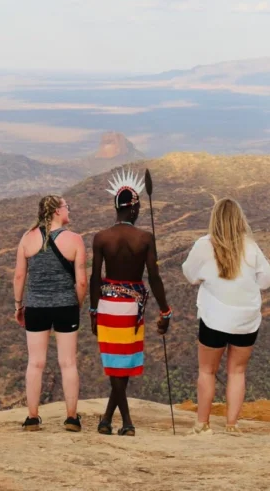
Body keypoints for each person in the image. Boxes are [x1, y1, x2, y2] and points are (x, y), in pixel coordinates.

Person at [89, 169, 172, 436]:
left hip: (107, 306)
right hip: (132, 309)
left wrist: (92, 311)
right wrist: (165, 309)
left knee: (116, 365)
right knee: (121, 364)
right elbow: (154, 277)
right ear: (135, 210)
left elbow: (95, 278)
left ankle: (107, 420)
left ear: (116, 208)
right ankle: (126, 422)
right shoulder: (145, 239)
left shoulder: (101, 238)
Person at [181, 197, 270, 436]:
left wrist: (207, 277)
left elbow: (189, 274)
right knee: (237, 371)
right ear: (239, 220)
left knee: (207, 371)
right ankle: (232, 425)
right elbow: (267, 280)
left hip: (213, 318)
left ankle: (202, 424)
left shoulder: (204, 244)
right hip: (246, 319)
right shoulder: (250, 246)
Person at [13, 194, 88, 432]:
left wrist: (18, 306)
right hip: (66, 306)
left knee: (35, 363)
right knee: (68, 362)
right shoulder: (75, 240)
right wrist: (75, 303)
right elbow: (82, 282)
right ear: (57, 211)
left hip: (36, 307)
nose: (69, 210)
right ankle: (71, 417)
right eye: (67, 206)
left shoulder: (27, 239)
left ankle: (33, 417)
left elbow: (19, 276)